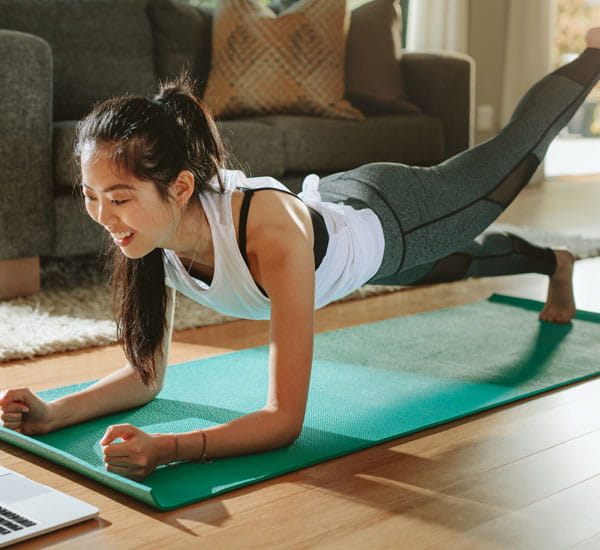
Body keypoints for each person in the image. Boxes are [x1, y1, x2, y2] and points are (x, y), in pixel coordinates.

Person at [2, 29, 599, 481]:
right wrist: (55, 412)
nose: (104, 218)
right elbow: (146, 376)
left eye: (120, 198)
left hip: (393, 216)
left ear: (179, 188)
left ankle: (594, 54)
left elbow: (284, 420)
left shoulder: (268, 233)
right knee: (461, 262)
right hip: (346, 229)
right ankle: (556, 263)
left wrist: (170, 449)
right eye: (91, 197)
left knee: (510, 161)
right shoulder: (147, 235)